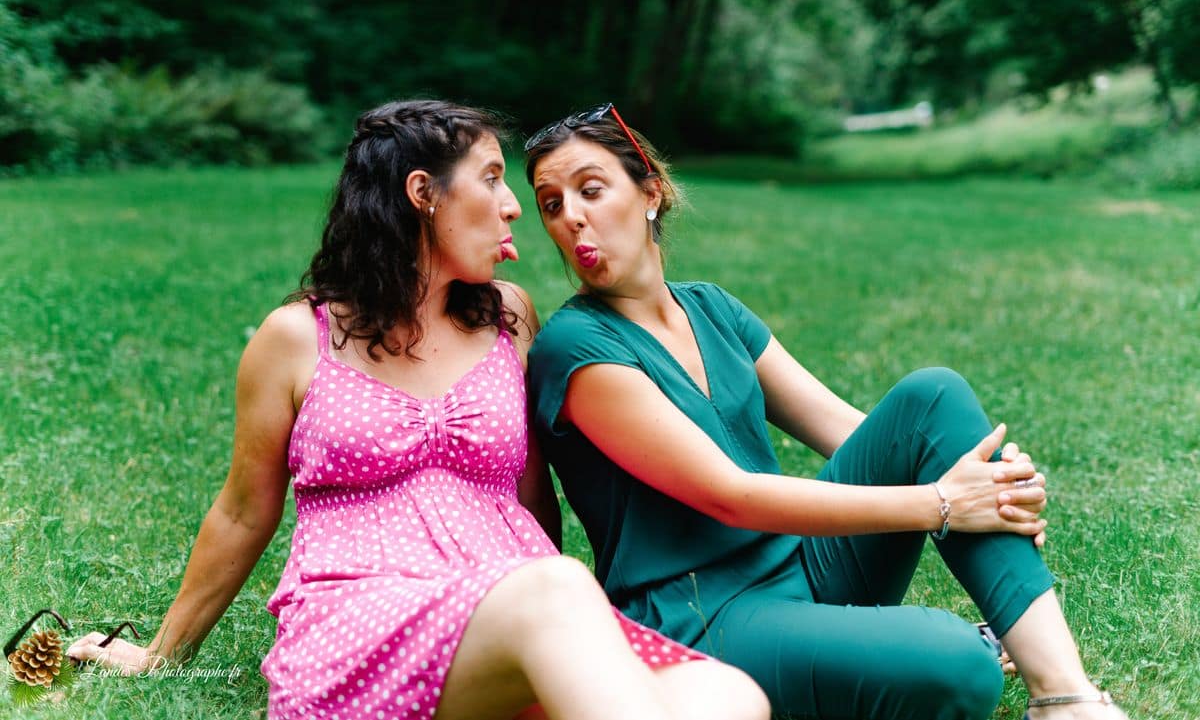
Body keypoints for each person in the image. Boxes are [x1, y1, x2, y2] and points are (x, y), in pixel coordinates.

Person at [68, 100, 770, 720]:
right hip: (363, 623)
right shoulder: (293, 339)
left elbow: (532, 495)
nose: (514, 204)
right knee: (561, 590)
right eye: (493, 177)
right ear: (422, 193)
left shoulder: (509, 318)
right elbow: (243, 512)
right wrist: (162, 651)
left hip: (509, 620)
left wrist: (554, 623)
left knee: (733, 696)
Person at [523, 103, 1130, 720]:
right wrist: (948, 503)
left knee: (933, 399)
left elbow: (858, 436)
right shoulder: (576, 348)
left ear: (650, 193)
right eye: (551, 205)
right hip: (702, 615)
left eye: (591, 190)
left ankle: (1065, 698)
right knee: (960, 666)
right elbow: (730, 496)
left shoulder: (712, 309)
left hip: (799, 564)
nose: (572, 217)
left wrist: (994, 484)